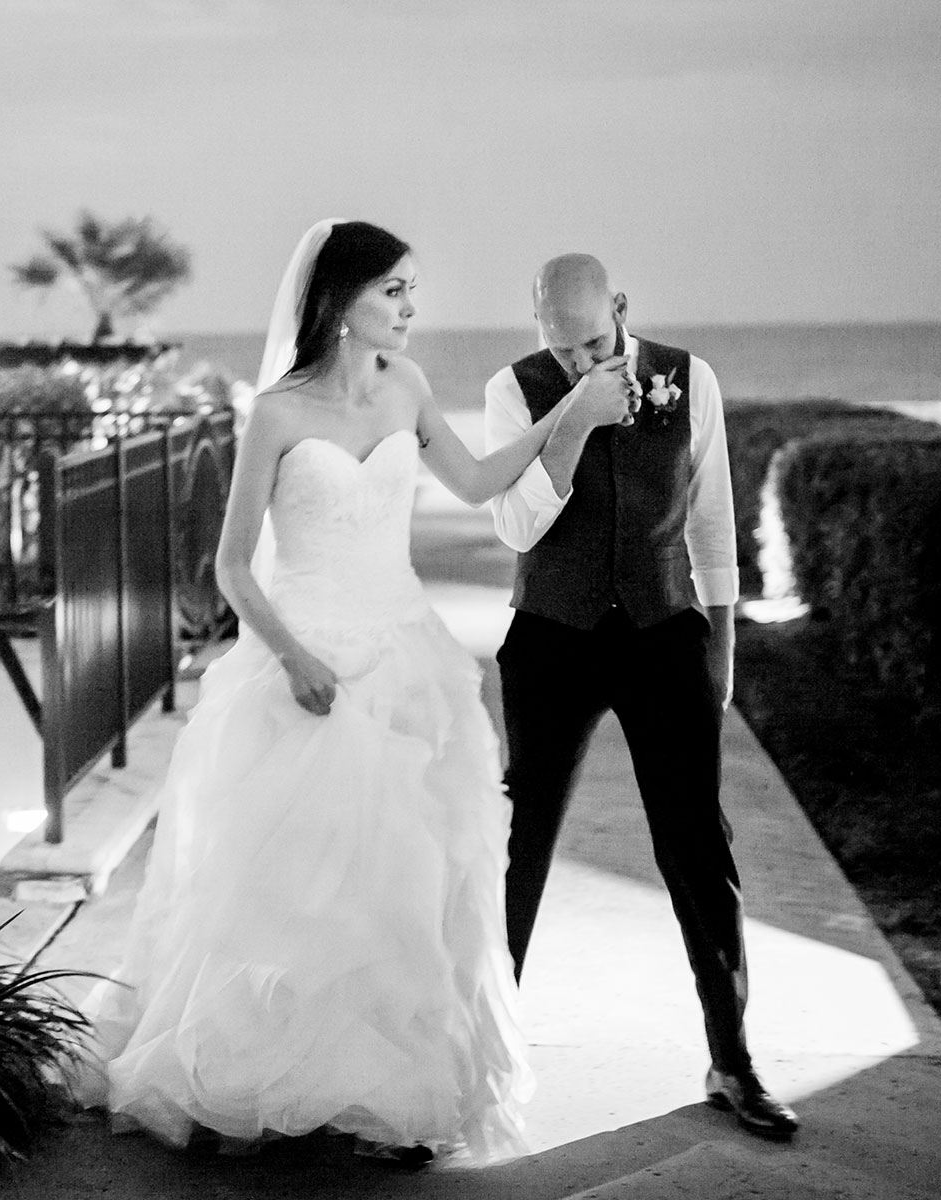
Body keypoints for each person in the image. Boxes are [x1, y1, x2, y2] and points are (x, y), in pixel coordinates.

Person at [72, 220, 632, 1166]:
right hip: (306, 659)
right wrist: (292, 657)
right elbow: (231, 566)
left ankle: (384, 1097)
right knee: (293, 893)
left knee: (402, 889)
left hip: (406, 659)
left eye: (414, 291)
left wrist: (567, 413)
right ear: (340, 304)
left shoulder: (409, 388)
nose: (412, 309)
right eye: (394, 293)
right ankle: (247, 1076)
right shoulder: (280, 414)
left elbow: (480, 480)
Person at [484, 253, 798, 1138]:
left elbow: (709, 515)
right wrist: (573, 423)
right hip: (553, 633)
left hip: (663, 629)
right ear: (538, 327)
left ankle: (732, 1060)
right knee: (520, 845)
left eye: (592, 343)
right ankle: (478, 1064)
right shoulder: (514, 389)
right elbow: (515, 524)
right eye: (563, 346)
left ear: (619, 309)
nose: (581, 360)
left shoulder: (691, 379)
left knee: (699, 845)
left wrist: (722, 645)